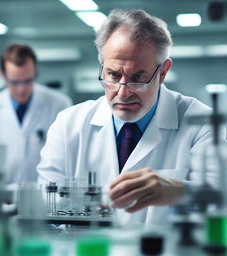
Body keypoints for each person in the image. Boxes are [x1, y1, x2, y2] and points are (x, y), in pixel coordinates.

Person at [37, 9, 223, 224]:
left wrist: (180, 190)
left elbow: (220, 198)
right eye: (113, 75)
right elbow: (47, 204)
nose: (123, 93)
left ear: (163, 72)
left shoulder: (201, 124)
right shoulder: (68, 124)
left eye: (138, 78)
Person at [0, 43, 72, 185]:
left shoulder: (59, 104)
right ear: (3, 75)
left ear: (35, 73)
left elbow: (69, 154)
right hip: (2, 195)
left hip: (46, 194)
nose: (21, 89)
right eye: (14, 82)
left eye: (27, 81)